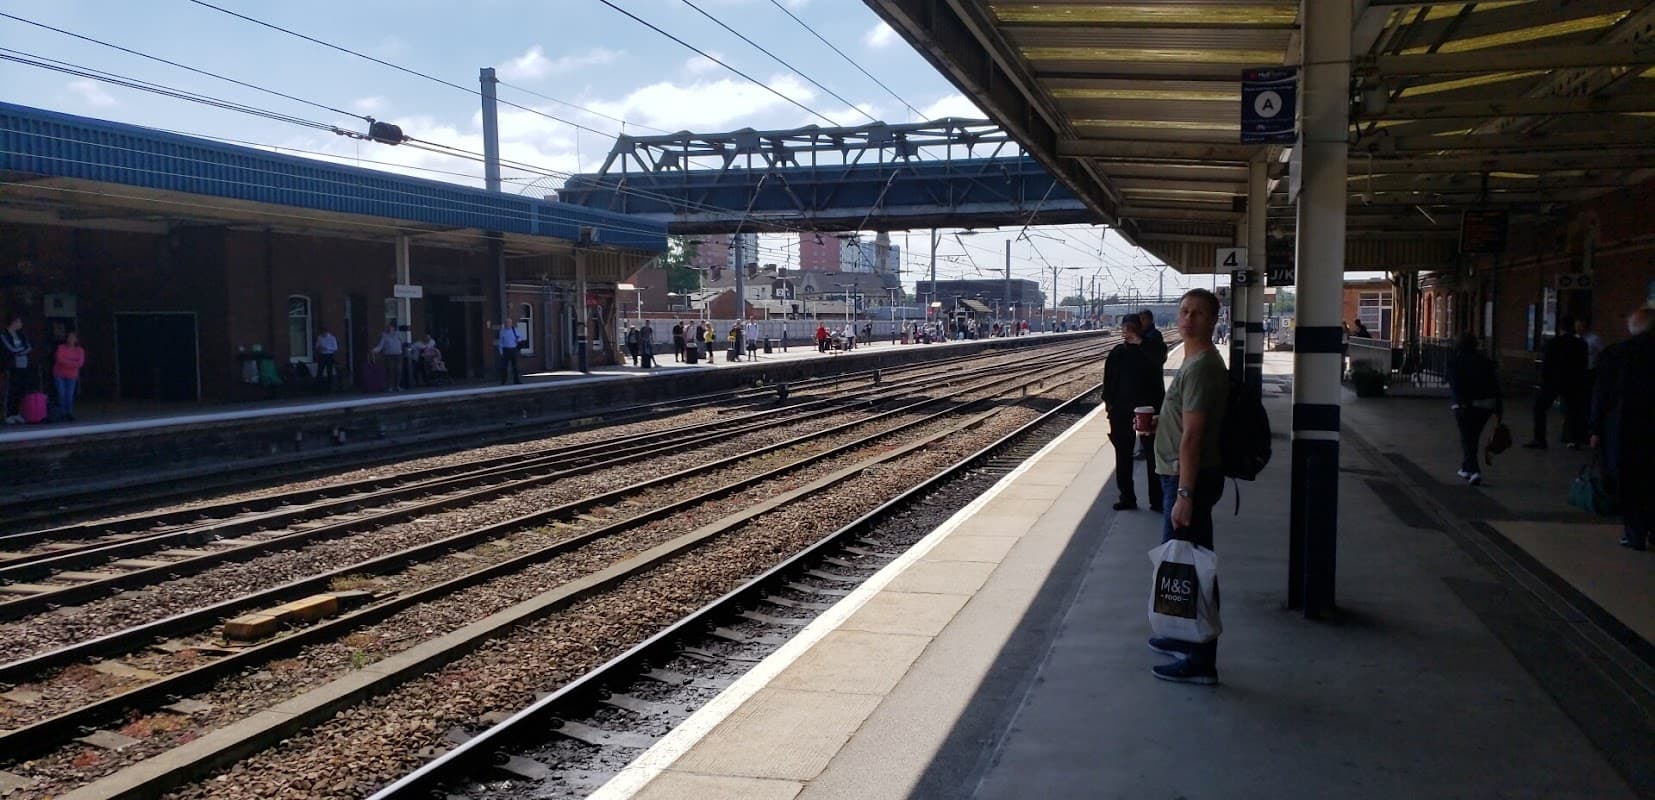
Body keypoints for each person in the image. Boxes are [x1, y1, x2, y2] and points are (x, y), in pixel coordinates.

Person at [1148, 288, 1228, 685]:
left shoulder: (1200, 368)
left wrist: (1184, 495)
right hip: (1182, 477)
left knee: (1193, 570)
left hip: (1186, 480)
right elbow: (1183, 424)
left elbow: (1193, 437)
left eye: (1198, 313)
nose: (1188, 318)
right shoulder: (1194, 360)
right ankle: (1183, 640)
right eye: (1184, 311)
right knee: (1183, 564)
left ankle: (1200, 660)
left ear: (1213, 320)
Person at [1591, 308, 1654, 550]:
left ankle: (1635, 532)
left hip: (1624, 428)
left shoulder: (1616, 354)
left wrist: (1595, 427)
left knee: (1629, 479)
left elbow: (1601, 394)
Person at [1103, 315, 1165, 512]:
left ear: (1140, 329)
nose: (1127, 331)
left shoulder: (1151, 348)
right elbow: (1108, 381)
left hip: (1149, 410)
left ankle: (1157, 500)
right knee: (1123, 455)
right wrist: (1109, 406)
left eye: (1132, 328)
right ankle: (1127, 497)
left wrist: (1140, 342)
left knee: (1153, 455)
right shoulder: (1118, 353)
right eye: (1125, 328)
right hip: (1121, 410)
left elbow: (1160, 357)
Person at [1446, 332, 1503, 486]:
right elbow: (1496, 386)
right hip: (1488, 405)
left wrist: (1460, 403)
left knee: (1467, 439)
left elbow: (1456, 385)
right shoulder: (1486, 361)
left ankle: (1474, 471)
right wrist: (1499, 411)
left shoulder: (1455, 362)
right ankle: (1465, 468)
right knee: (1473, 436)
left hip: (1467, 405)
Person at [1526, 317, 1588, 449]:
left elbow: (1547, 364)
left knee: (1540, 408)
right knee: (1574, 410)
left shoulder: (1554, 343)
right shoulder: (1581, 344)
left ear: (1561, 328)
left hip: (1553, 382)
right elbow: (1583, 365)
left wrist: (1544, 379)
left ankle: (1540, 439)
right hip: (1573, 382)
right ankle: (1574, 439)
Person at [50, 331, 85, 421]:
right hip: (59, 374)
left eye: (73, 337)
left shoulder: (79, 350)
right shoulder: (61, 348)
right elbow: (59, 359)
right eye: (69, 337)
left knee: (69, 395)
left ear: (76, 339)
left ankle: (69, 413)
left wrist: (67, 362)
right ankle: (62, 413)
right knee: (61, 394)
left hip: (72, 376)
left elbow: (80, 363)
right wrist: (73, 363)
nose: (71, 339)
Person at [2, 314, 30, 424]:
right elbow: (10, 349)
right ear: (13, 322)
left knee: (20, 389)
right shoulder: (4, 335)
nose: (21, 324)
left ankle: (16, 413)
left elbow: (29, 347)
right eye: (19, 322)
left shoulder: (21, 334)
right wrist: (20, 351)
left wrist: (20, 351)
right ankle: (8, 414)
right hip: (11, 366)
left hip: (23, 365)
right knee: (10, 390)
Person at [372, 322, 404, 392]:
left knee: (398, 370)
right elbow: (381, 345)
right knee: (390, 371)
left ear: (393, 328)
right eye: (388, 327)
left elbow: (401, 342)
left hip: (398, 354)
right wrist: (375, 350)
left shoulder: (398, 334)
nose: (389, 328)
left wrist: (401, 349)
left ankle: (397, 386)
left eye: (390, 327)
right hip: (389, 355)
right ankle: (390, 387)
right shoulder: (384, 335)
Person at [497, 318, 523, 385]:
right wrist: (501, 352)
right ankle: (503, 381)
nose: (508, 324)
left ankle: (516, 380)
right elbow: (500, 342)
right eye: (506, 323)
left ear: (511, 324)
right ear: (505, 324)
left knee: (515, 367)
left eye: (509, 323)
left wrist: (518, 340)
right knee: (504, 367)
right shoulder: (502, 332)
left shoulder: (515, 330)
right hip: (506, 350)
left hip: (513, 349)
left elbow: (520, 337)